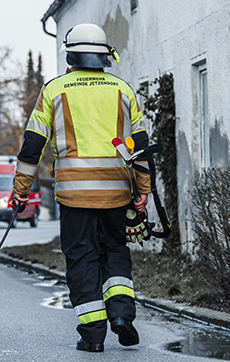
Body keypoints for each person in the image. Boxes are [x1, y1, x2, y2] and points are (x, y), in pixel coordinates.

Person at [12, 23, 151, 353]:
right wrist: (142, 188)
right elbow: (141, 146)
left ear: (70, 55)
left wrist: (21, 189)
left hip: (74, 196)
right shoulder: (123, 90)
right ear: (104, 56)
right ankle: (121, 315)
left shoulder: (54, 91)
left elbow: (32, 145)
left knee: (81, 258)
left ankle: (93, 336)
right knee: (115, 251)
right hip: (116, 192)